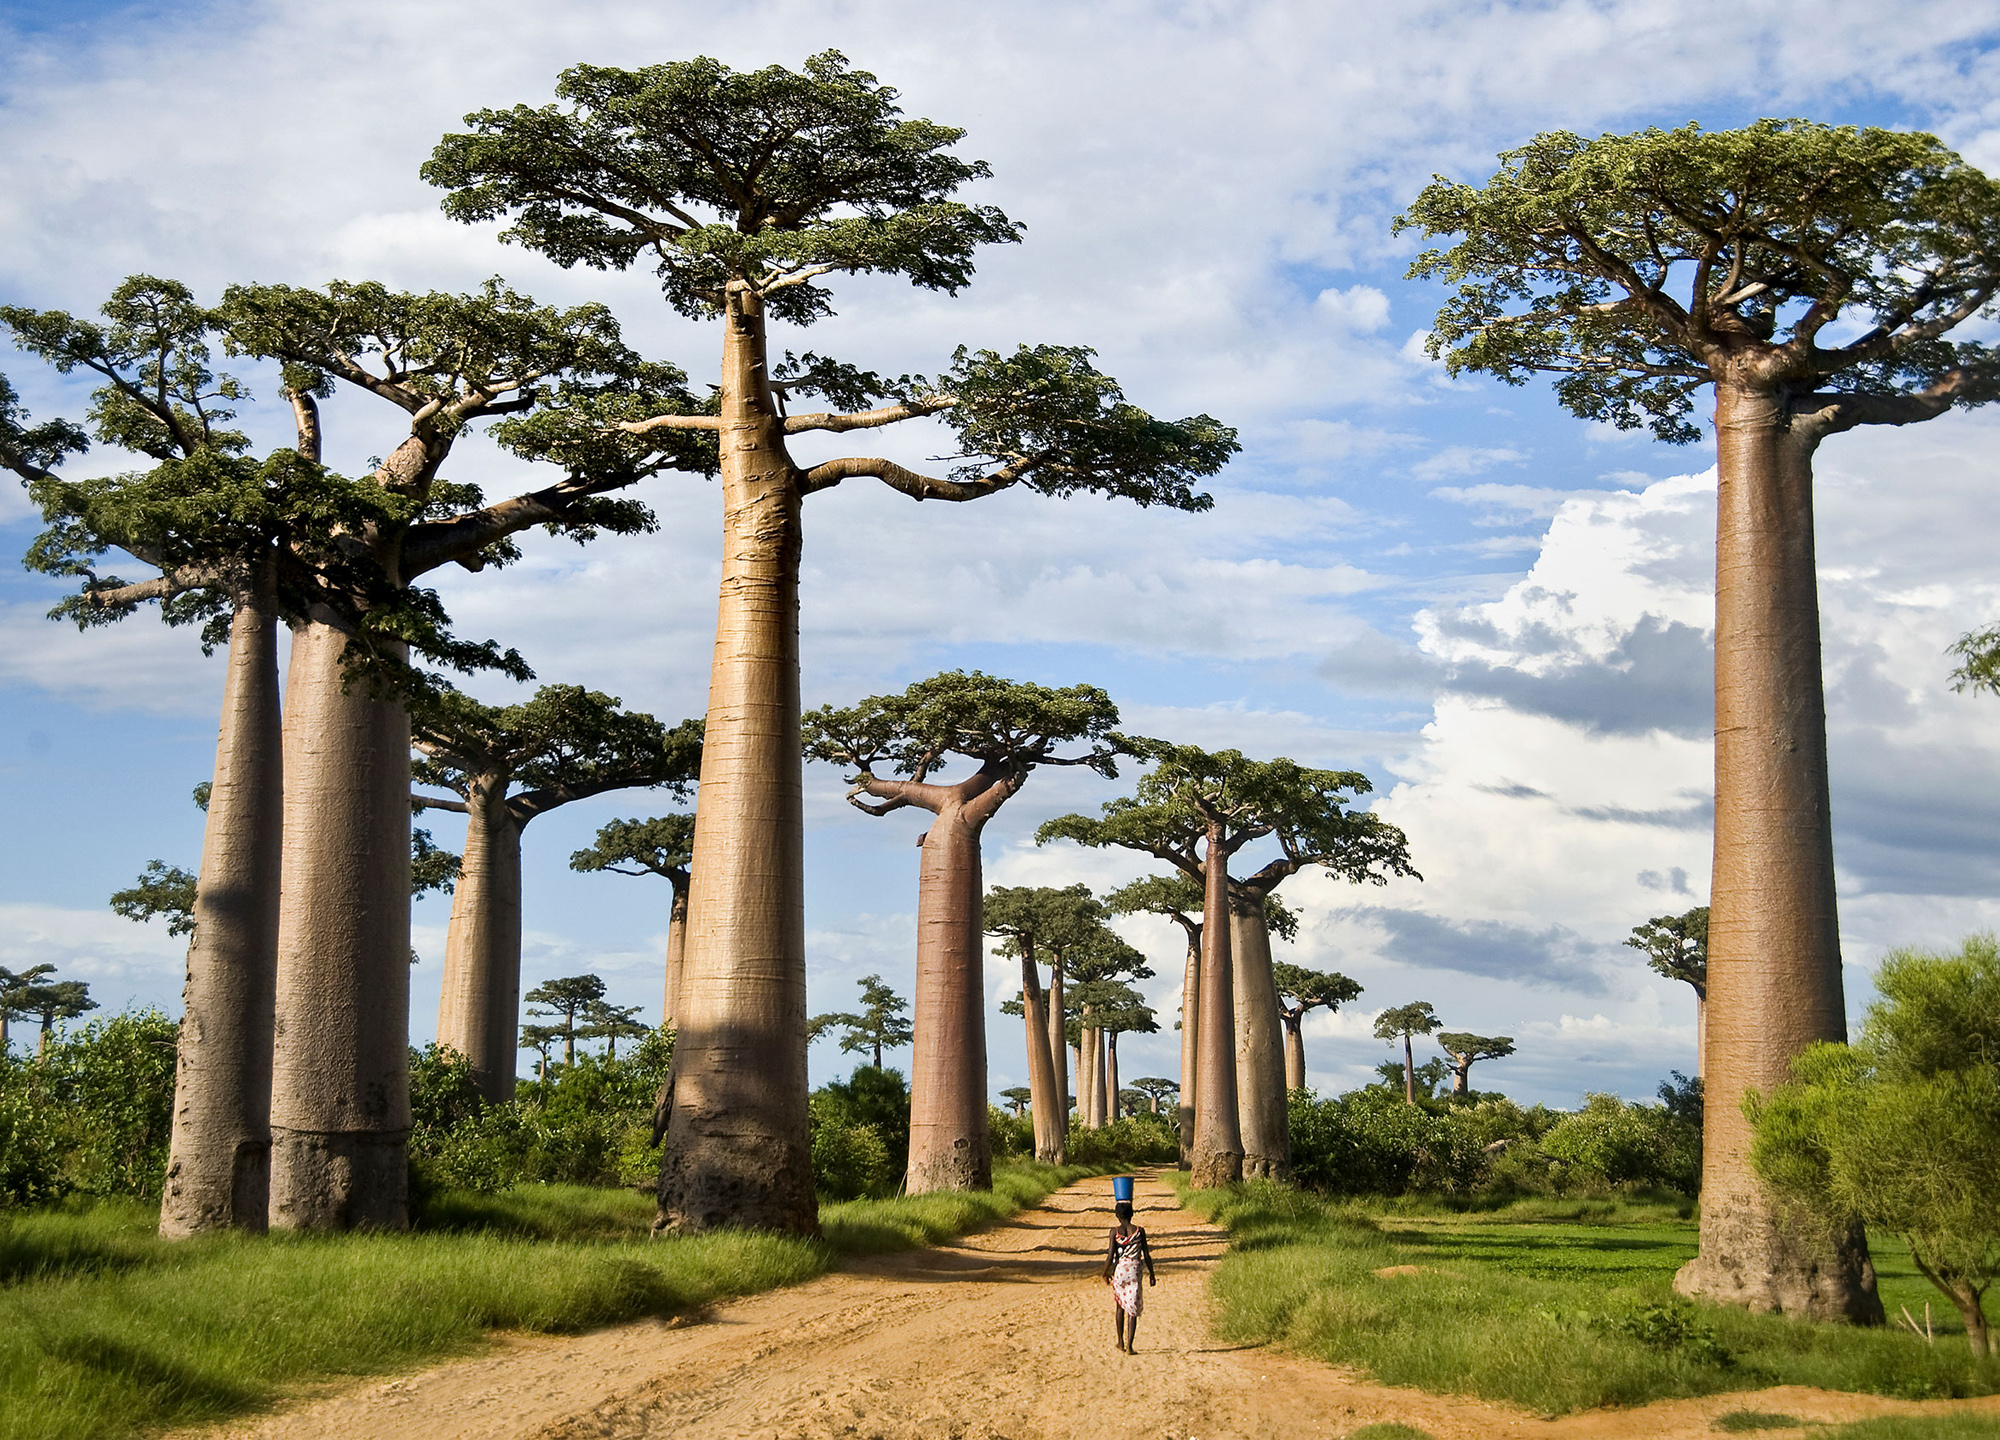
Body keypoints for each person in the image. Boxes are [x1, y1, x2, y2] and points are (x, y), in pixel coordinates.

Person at [1100, 1200, 1156, 1353]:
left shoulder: (1114, 1232)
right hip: (1135, 1271)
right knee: (1132, 1309)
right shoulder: (1140, 1231)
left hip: (1120, 1271)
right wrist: (1151, 1274)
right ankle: (1130, 1346)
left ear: (1117, 1215)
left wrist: (1105, 1272)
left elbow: (1110, 1256)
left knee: (1120, 1306)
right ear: (1132, 1214)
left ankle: (1120, 1342)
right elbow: (1147, 1255)